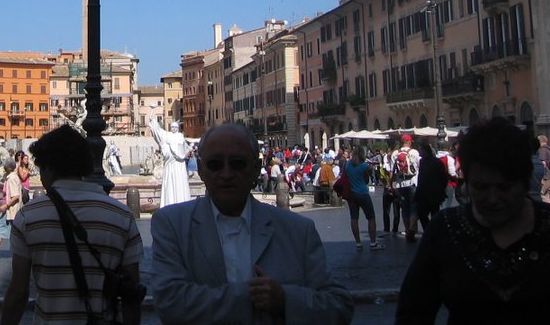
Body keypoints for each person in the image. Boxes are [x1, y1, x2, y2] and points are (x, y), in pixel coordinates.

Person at [150, 123, 353, 325]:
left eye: (237, 163)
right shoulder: (172, 225)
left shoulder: (299, 231)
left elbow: (338, 306)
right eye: (215, 164)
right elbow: (171, 304)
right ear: (201, 170)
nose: (226, 173)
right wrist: (252, 296)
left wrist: (284, 298)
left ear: (256, 169)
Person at [396, 117, 550, 323]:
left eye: (504, 187)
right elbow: (413, 311)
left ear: (525, 181)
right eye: (481, 187)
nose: (492, 199)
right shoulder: (446, 229)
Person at [0, 125, 143, 325]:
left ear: (49, 168)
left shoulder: (28, 217)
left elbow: (18, 292)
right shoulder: (122, 216)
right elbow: (132, 292)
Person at [343, 146, 382, 250]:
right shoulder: (365, 166)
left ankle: (358, 243)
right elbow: (365, 181)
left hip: (351, 194)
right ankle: (373, 243)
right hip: (362, 193)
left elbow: (345, 177)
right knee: (371, 217)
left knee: (354, 218)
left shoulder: (347, 164)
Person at [149, 119, 192, 207]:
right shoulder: (167, 135)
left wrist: (186, 153)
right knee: (170, 185)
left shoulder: (180, 136)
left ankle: (181, 204)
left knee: (179, 184)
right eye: (172, 127)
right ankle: (171, 204)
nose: (173, 129)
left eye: (175, 127)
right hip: (171, 163)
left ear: (178, 128)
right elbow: (158, 132)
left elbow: (185, 149)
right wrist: (153, 121)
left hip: (179, 164)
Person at [392, 134, 421, 241]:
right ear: (409, 142)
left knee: (404, 209)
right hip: (413, 183)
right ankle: (412, 230)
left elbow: (393, 170)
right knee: (414, 207)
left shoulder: (395, 154)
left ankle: (407, 229)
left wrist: (392, 184)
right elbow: (419, 166)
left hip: (400, 184)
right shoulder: (414, 153)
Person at [414, 142, 448, 230]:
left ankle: (432, 231)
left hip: (433, 193)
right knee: (423, 214)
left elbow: (443, 178)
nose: (419, 152)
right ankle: (430, 230)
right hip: (426, 193)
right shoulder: (422, 161)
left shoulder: (437, 162)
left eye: (420, 150)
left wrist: (440, 191)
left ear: (425, 151)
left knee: (431, 214)